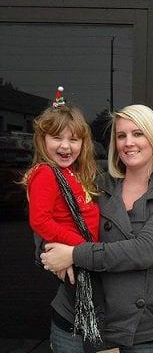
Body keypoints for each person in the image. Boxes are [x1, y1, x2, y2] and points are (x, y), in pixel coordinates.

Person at [41, 104, 153, 352]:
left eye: (138, 133)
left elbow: (143, 251)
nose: (128, 142)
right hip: (75, 316)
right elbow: (48, 216)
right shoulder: (96, 184)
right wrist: (47, 253)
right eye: (121, 136)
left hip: (136, 329)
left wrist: (73, 254)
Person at [22, 87, 103, 348]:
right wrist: (78, 247)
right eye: (57, 138)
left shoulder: (73, 174)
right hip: (79, 256)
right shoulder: (46, 174)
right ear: (42, 140)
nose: (66, 146)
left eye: (74, 139)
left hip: (84, 257)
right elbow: (40, 221)